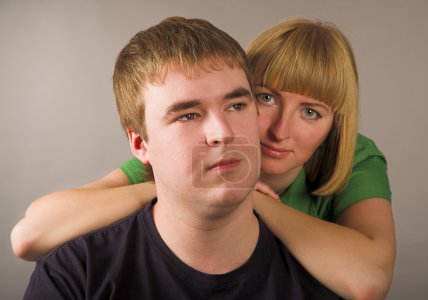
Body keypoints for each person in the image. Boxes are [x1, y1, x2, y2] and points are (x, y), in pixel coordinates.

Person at [14, 18, 395, 299]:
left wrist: (251, 198)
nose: (280, 129)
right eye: (265, 98)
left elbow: (369, 277)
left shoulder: (355, 156)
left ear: (334, 126)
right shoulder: (171, 162)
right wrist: (164, 188)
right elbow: (29, 237)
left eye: (311, 112)